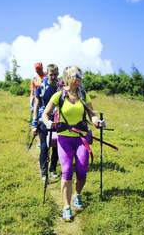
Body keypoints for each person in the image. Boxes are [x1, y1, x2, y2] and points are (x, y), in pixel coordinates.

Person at [42, 66, 106, 222]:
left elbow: (92, 114)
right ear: (69, 77)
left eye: (81, 74)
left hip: (80, 138)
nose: (81, 77)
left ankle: (77, 194)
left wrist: (98, 122)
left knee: (82, 170)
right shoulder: (59, 96)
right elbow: (46, 113)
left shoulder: (84, 95)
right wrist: (47, 122)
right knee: (67, 170)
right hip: (64, 138)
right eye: (78, 75)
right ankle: (66, 206)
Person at [32, 64, 59, 180]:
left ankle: (52, 168)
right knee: (44, 147)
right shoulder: (41, 88)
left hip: (57, 120)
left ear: (58, 74)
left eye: (55, 74)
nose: (53, 77)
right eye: (51, 74)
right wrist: (34, 124)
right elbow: (36, 107)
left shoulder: (60, 88)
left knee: (57, 146)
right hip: (43, 120)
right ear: (47, 74)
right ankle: (44, 173)